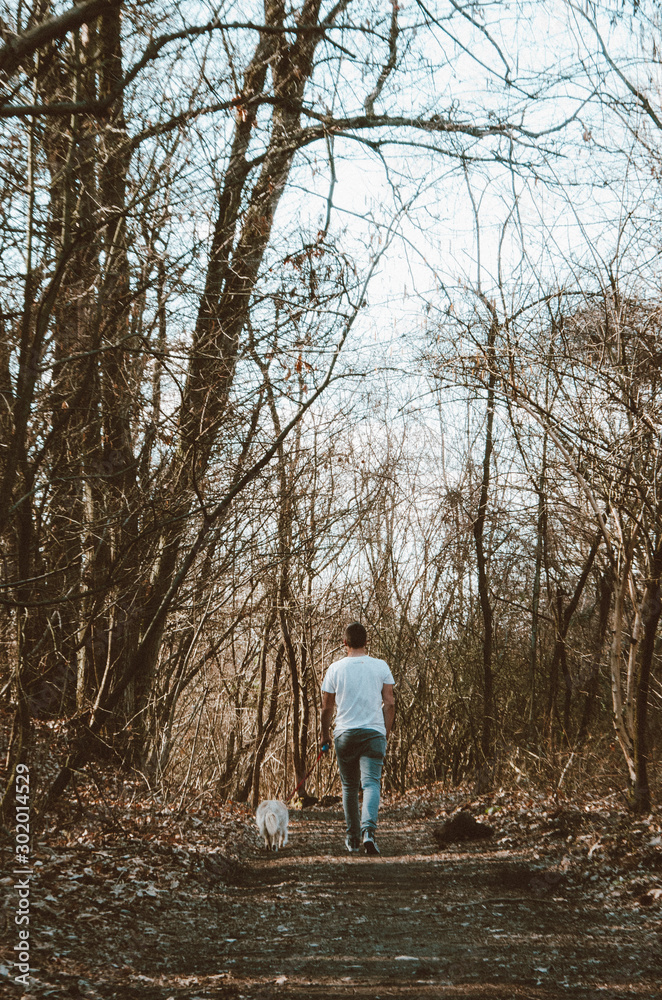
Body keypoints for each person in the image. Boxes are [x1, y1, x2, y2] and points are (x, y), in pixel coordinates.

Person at [321, 622, 395, 856]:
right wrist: (386, 731)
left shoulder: (335, 668)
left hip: (345, 734)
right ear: (366, 641)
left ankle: (352, 838)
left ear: (345, 643)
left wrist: (324, 737)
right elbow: (390, 702)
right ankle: (369, 833)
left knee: (349, 786)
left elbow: (326, 708)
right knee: (371, 783)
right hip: (374, 732)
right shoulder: (380, 666)